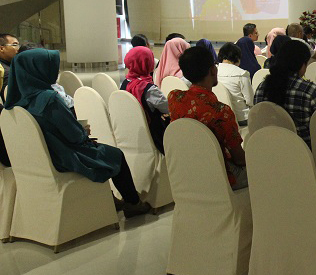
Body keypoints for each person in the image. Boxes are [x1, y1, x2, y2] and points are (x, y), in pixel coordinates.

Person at [6, 48, 151, 216]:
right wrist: (83, 131)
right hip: (65, 156)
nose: (55, 72)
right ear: (40, 69)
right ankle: (133, 203)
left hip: (40, 158)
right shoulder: (49, 99)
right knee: (116, 155)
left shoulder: (16, 100)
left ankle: (109, 197)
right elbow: (74, 135)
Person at [169, 47, 247, 190]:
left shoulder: (175, 98)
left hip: (186, 172)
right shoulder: (221, 111)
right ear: (212, 70)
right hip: (220, 176)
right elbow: (240, 159)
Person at [254, 40, 316, 148]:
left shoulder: (262, 88)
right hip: (304, 151)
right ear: (301, 64)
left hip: (269, 149)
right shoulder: (308, 90)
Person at [121, 46, 170, 153]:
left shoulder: (124, 84)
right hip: (153, 136)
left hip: (129, 132)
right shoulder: (149, 89)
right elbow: (167, 108)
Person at [216, 42, 254, 126]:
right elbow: (250, 100)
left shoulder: (214, 71)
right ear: (237, 57)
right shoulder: (242, 74)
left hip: (219, 116)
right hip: (240, 118)